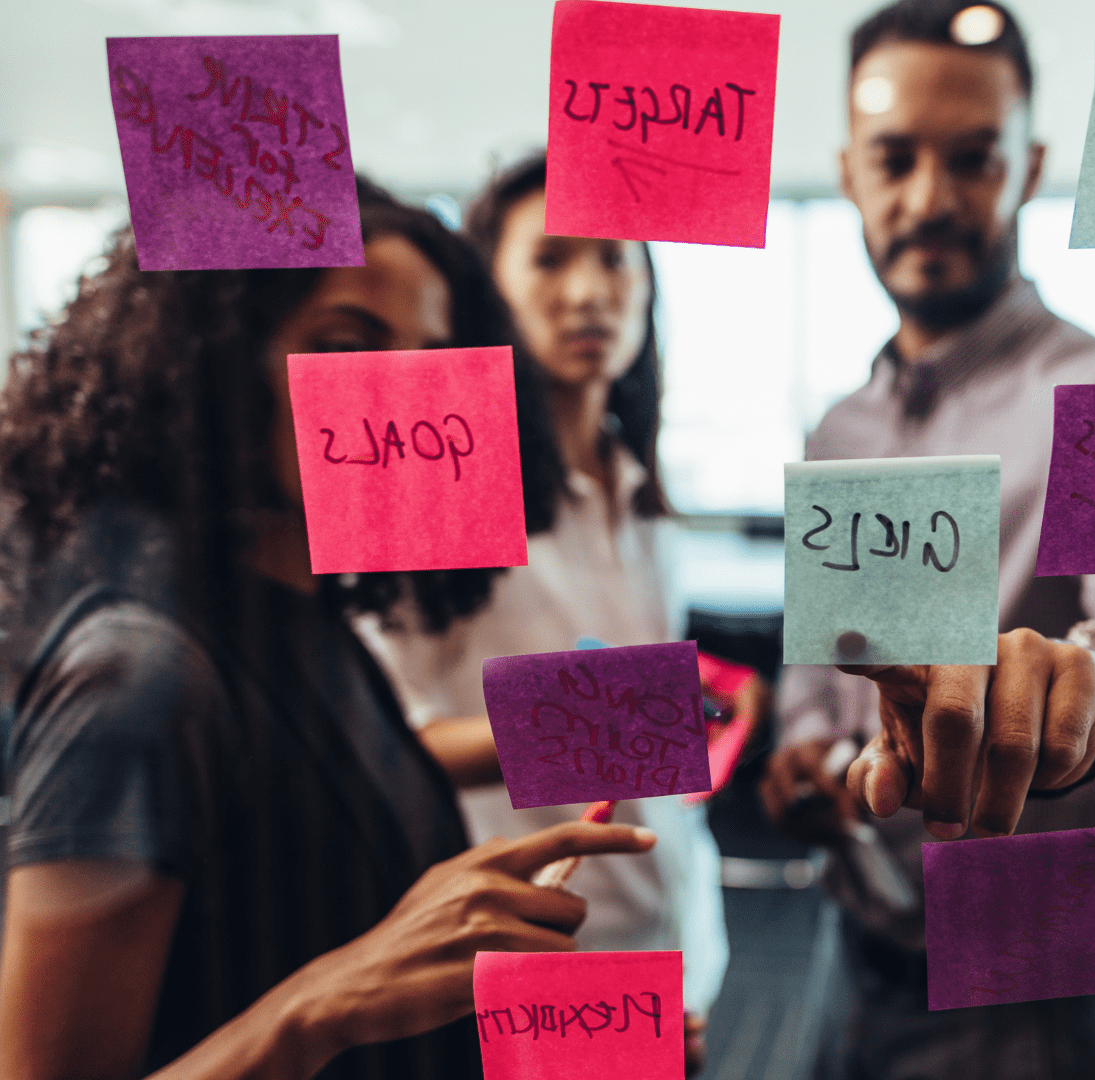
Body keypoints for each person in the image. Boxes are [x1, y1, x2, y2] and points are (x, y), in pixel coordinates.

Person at [0, 178, 654, 1080]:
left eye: (431, 355)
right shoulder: (142, 677)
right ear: (215, 367)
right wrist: (321, 1006)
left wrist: (552, 1038)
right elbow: (337, 988)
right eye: (345, 346)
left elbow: (347, 955)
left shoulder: (319, 624)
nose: (404, 394)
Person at [757, 3, 1095, 1077]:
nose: (931, 199)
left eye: (974, 158)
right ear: (847, 170)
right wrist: (805, 745)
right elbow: (829, 669)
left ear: (1030, 166)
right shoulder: (839, 426)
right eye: (895, 159)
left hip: (1036, 998)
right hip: (852, 956)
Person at [353, 152, 736, 1074]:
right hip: (530, 977)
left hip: (677, 944)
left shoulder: (639, 489)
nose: (587, 293)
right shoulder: (437, 492)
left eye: (613, 261)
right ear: (492, 290)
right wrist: (600, 719)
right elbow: (376, 744)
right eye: (552, 260)